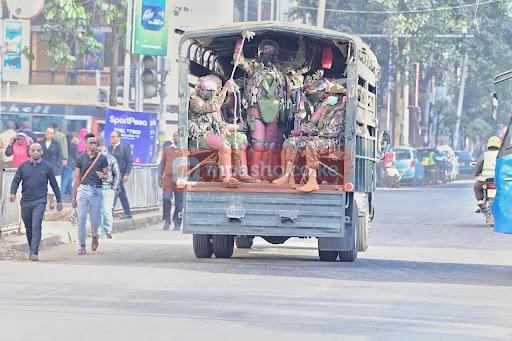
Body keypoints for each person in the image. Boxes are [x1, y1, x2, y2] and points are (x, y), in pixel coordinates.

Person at [273, 79, 347, 192]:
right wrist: (308, 129)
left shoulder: (340, 110)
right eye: (328, 94)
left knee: (312, 145)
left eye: (331, 95)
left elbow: (331, 132)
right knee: (292, 142)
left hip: (334, 142)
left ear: (339, 96)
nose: (328, 97)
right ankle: (288, 176)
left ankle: (312, 181)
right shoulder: (329, 108)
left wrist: (311, 131)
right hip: (323, 138)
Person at [189, 75, 256, 185]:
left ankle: (242, 173)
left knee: (240, 139)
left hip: (213, 134)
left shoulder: (211, 101)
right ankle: (226, 176)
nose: (209, 93)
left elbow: (219, 120)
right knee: (224, 145)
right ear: (199, 89)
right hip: (200, 137)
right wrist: (225, 89)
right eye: (207, 91)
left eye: (211, 91)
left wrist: (223, 128)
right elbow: (213, 107)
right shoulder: (195, 101)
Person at [10, 143, 63, 261]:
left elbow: (54, 185)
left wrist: (59, 201)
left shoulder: (47, 167)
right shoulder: (23, 167)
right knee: (28, 227)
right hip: (25, 201)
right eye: (33, 150)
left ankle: (34, 252)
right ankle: (31, 248)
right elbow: (15, 181)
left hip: (40, 201)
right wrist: (12, 193)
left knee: (36, 225)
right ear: (29, 152)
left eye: (38, 150)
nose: (35, 152)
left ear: (42, 152)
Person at [72, 133, 109, 255]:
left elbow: (107, 176)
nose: (93, 145)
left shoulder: (102, 158)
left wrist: (102, 176)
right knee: (81, 218)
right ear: (86, 144)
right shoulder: (80, 158)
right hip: (82, 190)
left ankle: (94, 235)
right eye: (91, 143)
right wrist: (73, 197)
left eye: (95, 143)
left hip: (96, 191)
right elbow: (77, 177)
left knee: (95, 220)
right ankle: (82, 245)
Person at [159, 132, 185, 230]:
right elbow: (162, 164)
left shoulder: (184, 150)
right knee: (166, 198)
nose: (175, 138)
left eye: (177, 136)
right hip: (168, 179)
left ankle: (177, 222)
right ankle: (167, 220)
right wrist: (159, 178)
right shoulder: (167, 149)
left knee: (179, 202)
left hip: (180, 179)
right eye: (174, 136)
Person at [97, 139, 120, 239]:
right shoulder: (94, 159)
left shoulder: (111, 159)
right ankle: (101, 231)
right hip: (98, 188)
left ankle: (106, 230)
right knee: (100, 211)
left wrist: (113, 188)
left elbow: (117, 174)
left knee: (105, 211)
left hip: (107, 188)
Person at [109, 131, 133, 219]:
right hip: (111, 174)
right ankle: (128, 213)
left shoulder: (124, 147)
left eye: (114, 136)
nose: (112, 138)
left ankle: (109, 213)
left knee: (114, 192)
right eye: (111, 136)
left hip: (120, 173)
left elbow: (129, 162)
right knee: (121, 193)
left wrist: (127, 174)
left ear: (119, 137)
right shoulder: (110, 148)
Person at [474, 136, 501, 213]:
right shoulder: (502, 155)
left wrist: (477, 173)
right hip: (499, 181)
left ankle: (480, 201)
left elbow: (478, 165)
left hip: (484, 181)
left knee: (476, 187)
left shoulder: (485, 155)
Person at [42, 127, 63, 209]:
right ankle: (43, 203)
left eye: (50, 133)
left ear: (53, 134)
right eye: (47, 132)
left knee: (53, 186)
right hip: (43, 167)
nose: (48, 134)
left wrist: (58, 165)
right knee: (43, 186)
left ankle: (52, 201)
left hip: (54, 167)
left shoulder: (56, 143)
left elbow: (60, 155)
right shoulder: (41, 142)